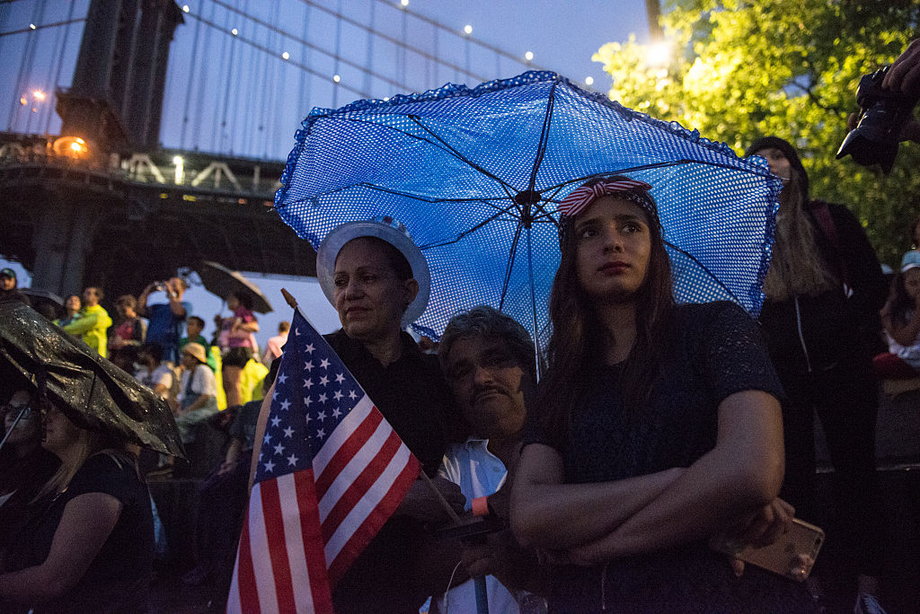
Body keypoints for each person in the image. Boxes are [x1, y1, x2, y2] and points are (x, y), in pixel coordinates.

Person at [510, 177, 816, 613]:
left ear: (655, 245)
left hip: (715, 594)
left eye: (630, 227)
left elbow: (752, 469)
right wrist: (682, 480)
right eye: (590, 232)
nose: (612, 242)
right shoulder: (561, 379)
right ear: (571, 258)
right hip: (596, 600)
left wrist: (602, 547)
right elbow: (531, 515)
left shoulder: (717, 329)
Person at [252, 217, 464, 613]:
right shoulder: (307, 366)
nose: (350, 293)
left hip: (417, 581)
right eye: (342, 281)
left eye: (367, 278)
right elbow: (272, 480)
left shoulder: (436, 379)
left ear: (407, 290)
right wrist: (398, 499)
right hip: (322, 576)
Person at [746, 137, 890, 614]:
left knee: (857, 476)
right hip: (785, 377)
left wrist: (847, 328)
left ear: (796, 167)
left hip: (843, 370)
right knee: (793, 483)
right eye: (760, 158)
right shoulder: (746, 233)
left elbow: (872, 282)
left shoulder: (830, 218)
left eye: (779, 155)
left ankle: (868, 584)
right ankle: (805, 582)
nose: (770, 163)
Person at [434, 306, 542, 614]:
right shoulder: (449, 463)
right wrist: (494, 507)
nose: (481, 378)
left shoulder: (570, 446)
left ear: (529, 366)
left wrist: (477, 516)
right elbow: (424, 565)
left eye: (495, 360)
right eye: (462, 371)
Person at [0, 396, 154, 613]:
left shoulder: (105, 474)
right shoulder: (62, 476)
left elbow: (53, 580)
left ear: (88, 419)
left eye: (58, 410)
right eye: (46, 408)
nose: (46, 416)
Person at [0, 390, 60, 562]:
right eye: (9, 409)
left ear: (43, 417)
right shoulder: (4, 462)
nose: (11, 417)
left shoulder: (47, 476)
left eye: (23, 412)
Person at [875, 250, 920, 378]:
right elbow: (905, 339)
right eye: (913, 283)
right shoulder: (892, 310)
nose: (918, 288)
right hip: (907, 359)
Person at [216, 291, 259, 408]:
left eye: (233, 299)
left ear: (241, 302)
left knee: (233, 382)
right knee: (227, 383)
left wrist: (238, 324)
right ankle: (229, 408)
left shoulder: (245, 315)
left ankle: (234, 410)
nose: (229, 301)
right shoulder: (233, 317)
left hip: (239, 350)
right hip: (229, 350)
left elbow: (255, 327)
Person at [138, 276, 191, 365]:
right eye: (169, 285)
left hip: (168, 355)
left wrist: (171, 293)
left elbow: (178, 312)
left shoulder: (186, 305)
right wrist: (148, 292)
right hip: (149, 354)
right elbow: (139, 309)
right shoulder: (158, 307)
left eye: (174, 285)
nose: (170, 287)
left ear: (183, 290)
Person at [174, 342, 219, 444]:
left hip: (205, 408)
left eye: (186, 356)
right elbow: (183, 396)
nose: (183, 358)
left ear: (195, 358)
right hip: (188, 406)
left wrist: (187, 411)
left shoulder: (204, 370)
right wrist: (180, 409)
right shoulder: (186, 373)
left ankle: (177, 457)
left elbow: (205, 396)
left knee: (180, 422)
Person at [62, 286, 113, 358]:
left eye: (88, 293)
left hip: (96, 353)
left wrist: (63, 329)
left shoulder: (100, 313)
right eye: (85, 293)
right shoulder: (82, 311)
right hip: (82, 350)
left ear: (96, 297)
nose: (84, 295)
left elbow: (83, 325)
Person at [107, 294, 146, 371]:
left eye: (123, 310)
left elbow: (141, 342)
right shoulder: (120, 323)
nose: (121, 313)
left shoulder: (138, 323)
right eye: (119, 311)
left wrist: (125, 343)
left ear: (132, 308)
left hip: (130, 361)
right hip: (115, 358)